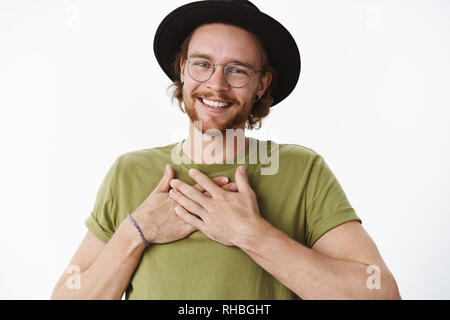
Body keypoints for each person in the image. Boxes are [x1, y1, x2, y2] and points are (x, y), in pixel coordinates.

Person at [51, 0, 401, 300]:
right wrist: (136, 232)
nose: (216, 85)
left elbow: (380, 292)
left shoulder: (302, 170)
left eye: (237, 70)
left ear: (261, 84)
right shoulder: (129, 171)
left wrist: (251, 234)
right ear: (182, 71)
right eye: (202, 64)